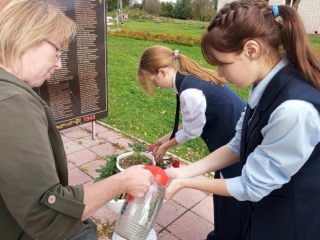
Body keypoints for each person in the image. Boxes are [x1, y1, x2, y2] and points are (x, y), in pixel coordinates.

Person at [164, 1, 320, 240]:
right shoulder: (266, 82)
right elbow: (238, 143)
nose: (219, 74)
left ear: (251, 50)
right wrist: (185, 172)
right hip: (266, 215)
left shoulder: (293, 110)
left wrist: (187, 183)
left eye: (222, 63)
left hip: (292, 225)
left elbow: (250, 186)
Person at [0, 1, 153, 240]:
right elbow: (48, 216)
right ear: (28, 37)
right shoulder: (12, 104)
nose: (59, 64)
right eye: (58, 51)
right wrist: (124, 181)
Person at [137, 45, 250, 240]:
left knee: (232, 203)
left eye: (154, 81)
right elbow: (194, 121)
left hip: (236, 148)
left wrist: (165, 146)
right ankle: (223, 233)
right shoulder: (189, 77)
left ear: (162, 72)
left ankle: (227, 235)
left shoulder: (189, 92)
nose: (156, 85)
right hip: (232, 143)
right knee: (225, 197)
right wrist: (165, 138)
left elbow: (192, 130)